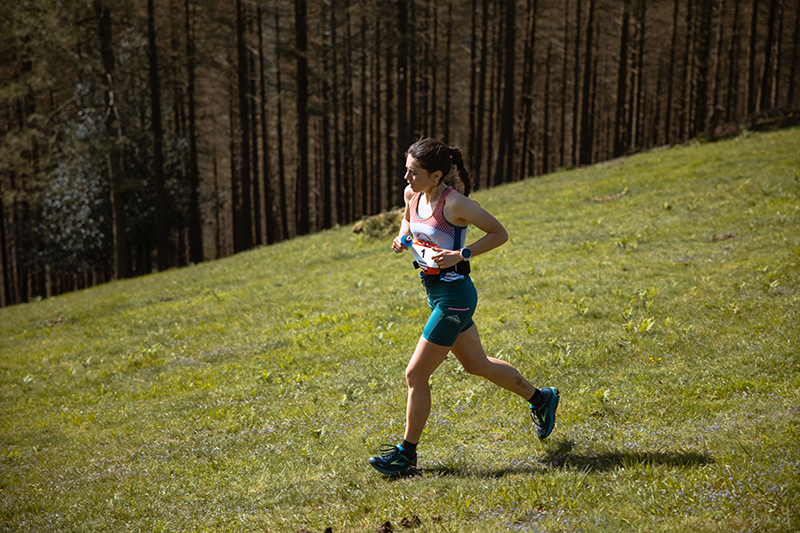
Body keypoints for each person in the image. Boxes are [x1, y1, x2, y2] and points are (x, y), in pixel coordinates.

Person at [368, 138, 559, 476]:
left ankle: (405, 455)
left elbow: (499, 233)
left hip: (455, 298)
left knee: (415, 374)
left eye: (413, 172)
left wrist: (461, 253)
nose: (405, 178)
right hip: (435, 293)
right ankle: (542, 399)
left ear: (436, 174)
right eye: (406, 170)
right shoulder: (413, 195)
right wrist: (402, 237)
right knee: (477, 364)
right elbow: (408, 221)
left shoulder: (455, 204)